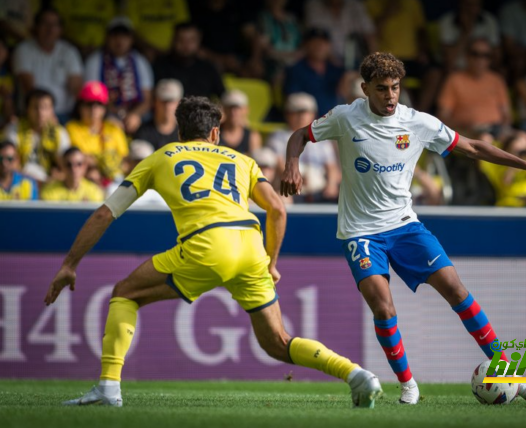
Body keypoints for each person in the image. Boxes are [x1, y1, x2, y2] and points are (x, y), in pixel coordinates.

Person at [44, 96, 383, 408]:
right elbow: (278, 209)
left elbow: (106, 213)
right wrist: (272, 262)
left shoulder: (161, 157)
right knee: (277, 342)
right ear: (216, 133)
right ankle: (356, 375)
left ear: (179, 132)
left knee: (124, 293)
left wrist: (70, 264)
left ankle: (108, 387)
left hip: (205, 244)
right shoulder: (243, 160)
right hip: (251, 248)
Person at [280, 52, 526, 404]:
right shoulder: (345, 117)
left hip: (405, 227)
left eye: (395, 88)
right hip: (361, 232)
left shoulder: (418, 123)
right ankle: (408, 385)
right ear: (365, 89)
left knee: (456, 290)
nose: (390, 96)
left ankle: (504, 366)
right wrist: (292, 164)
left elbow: (472, 146)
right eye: (381, 89)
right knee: (383, 308)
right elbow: (299, 135)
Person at [84, 17, 153, 135]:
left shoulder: (140, 61)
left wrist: (135, 115)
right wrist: (108, 115)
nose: (119, 40)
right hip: (105, 114)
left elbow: (147, 98)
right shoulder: (95, 61)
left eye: (124, 36)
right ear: (107, 38)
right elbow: (89, 98)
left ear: (132, 39)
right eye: (115, 35)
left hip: (134, 113)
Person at [13, 7, 83, 122]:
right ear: (36, 27)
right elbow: (28, 87)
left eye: (55, 25)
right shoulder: (23, 50)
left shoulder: (69, 51)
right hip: (33, 114)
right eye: (45, 24)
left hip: (65, 115)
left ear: (60, 29)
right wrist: (46, 114)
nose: (50, 29)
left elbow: (76, 87)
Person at [267, 92, 340, 202]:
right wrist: (296, 178)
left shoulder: (323, 139)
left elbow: (331, 166)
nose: (301, 116)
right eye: (296, 112)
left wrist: (331, 184)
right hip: (290, 191)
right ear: (287, 114)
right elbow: (278, 163)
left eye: (306, 112)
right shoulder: (278, 136)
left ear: (313, 114)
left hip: (320, 191)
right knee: (281, 199)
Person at [438, 38, 511, 139]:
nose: (480, 59)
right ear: (466, 56)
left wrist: (503, 129)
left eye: (485, 55)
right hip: (466, 133)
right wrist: (465, 124)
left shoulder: (497, 80)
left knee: (523, 138)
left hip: (496, 130)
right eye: (475, 54)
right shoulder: (454, 80)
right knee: (485, 139)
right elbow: (443, 116)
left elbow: (506, 114)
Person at [66, 81, 129, 182]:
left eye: (99, 104)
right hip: (85, 178)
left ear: (104, 108)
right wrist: (103, 163)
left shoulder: (114, 129)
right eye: (89, 104)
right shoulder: (71, 128)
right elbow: (77, 159)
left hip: (113, 179)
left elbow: (124, 159)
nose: (94, 109)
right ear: (80, 106)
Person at [2, 89, 70, 182]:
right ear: (27, 109)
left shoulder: (60, 133)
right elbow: (7, 163)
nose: (40, 112)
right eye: (35, 107)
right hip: (20, 181)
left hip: (51, 184)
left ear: (52, 110)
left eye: (45, 107)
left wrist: (60, 176)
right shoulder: (13, 130)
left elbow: (68, 165)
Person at [284, 28, 347, 118]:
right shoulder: (296, 69)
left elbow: (344, 94)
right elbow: (293, 100)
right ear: (306, 45)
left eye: (323, 43)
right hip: (309, 124)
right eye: (315, 42)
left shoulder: (336, 70)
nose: (320, 46)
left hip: (336, 121)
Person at [153, 22, 225, 100]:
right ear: (173, 40)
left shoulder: (208, 68)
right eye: (181, 40)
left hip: (201, 111)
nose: (186, 45)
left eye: (191, 40)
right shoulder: (160, 67)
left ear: (199, 41)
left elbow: (223, 96)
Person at [134, 79, 181, 149]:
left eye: (171, 101)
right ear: (155, 102)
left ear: (179, 103)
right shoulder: (143, 132)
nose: (167, 106)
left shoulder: (185, 135)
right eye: (163, 101)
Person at [218, 90, 262, 155]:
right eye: (230, 108)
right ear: (224, 109)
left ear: (246, 110)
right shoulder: (214, 133)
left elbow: (256, 161)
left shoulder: (252, 136)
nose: (233, 112)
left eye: (237, 108)